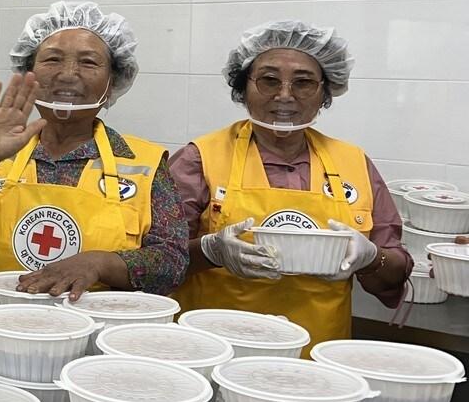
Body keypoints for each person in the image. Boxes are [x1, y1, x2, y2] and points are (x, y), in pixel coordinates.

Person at [0, 1, 188, 300]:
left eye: (88, 62)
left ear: (113, 80)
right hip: (1, 320)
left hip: (103, 325)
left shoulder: (142, 163)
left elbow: (172, 264)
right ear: (29, 72)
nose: (68, 74)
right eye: (52, 60)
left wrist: (99, 263)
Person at [171, 20, 412, 345]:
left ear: (325, 92)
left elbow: (394, 270)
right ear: (243, 87)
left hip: (318, 354)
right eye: (269, 80)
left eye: (303, 82)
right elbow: (156, 262)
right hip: (215, 349)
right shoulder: (199, 159)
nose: (285, 95)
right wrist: (210, 251)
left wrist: (371, 259)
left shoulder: (354, 163)